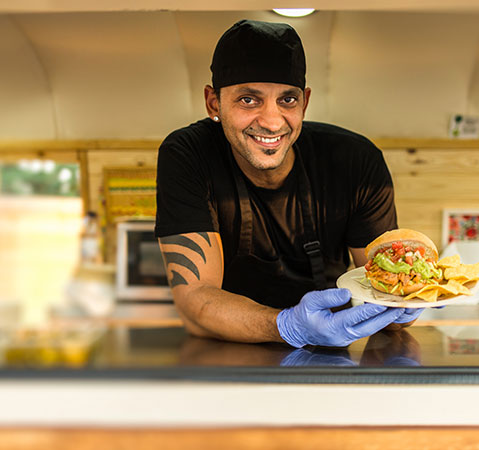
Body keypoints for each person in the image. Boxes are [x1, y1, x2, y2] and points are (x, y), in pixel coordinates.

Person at [155, 19, 423, 348]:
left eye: (287, 100)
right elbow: (195, 299)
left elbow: (385, 289)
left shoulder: (355, 162)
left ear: (305, 102)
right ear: (214, 102)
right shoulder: (188, 155)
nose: (271, 122)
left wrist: (410, 299)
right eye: (248, 100)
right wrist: (288, 326)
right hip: (224, 357)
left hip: (330, 357)